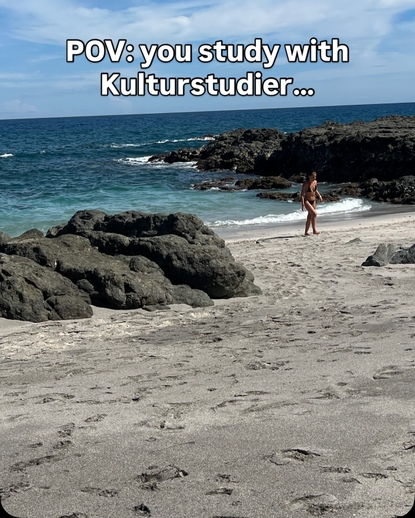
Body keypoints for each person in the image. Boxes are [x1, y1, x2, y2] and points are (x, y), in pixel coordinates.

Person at [301, 171, 323, 236]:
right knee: (314, 214)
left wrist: (319, 196)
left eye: (315, 177)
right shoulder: (306, 184)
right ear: (309, 176)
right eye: (313, 177)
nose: (314, 178)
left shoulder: (315, 182)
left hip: (313, 200)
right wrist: (303, 204)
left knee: (310, 216)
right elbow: (302, 195)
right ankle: (314, 230)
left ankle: (307, 232)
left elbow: (315, 190)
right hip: (307, 201)